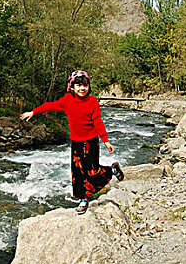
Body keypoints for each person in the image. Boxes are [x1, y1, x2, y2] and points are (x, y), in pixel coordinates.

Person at [20, 70, 124, 215]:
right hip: (76, 143)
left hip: (91, 142)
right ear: (72, 87)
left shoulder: (93, 102)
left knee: (91, 171)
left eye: (85, 85)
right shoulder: (67, 100)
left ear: (89, 86)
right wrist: (34, 112)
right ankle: (83, 199)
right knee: (78, 173)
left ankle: (111, 169)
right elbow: (51, 105)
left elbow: (98, 122)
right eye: (79, 85)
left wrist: (105, 141)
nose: (82, 88)